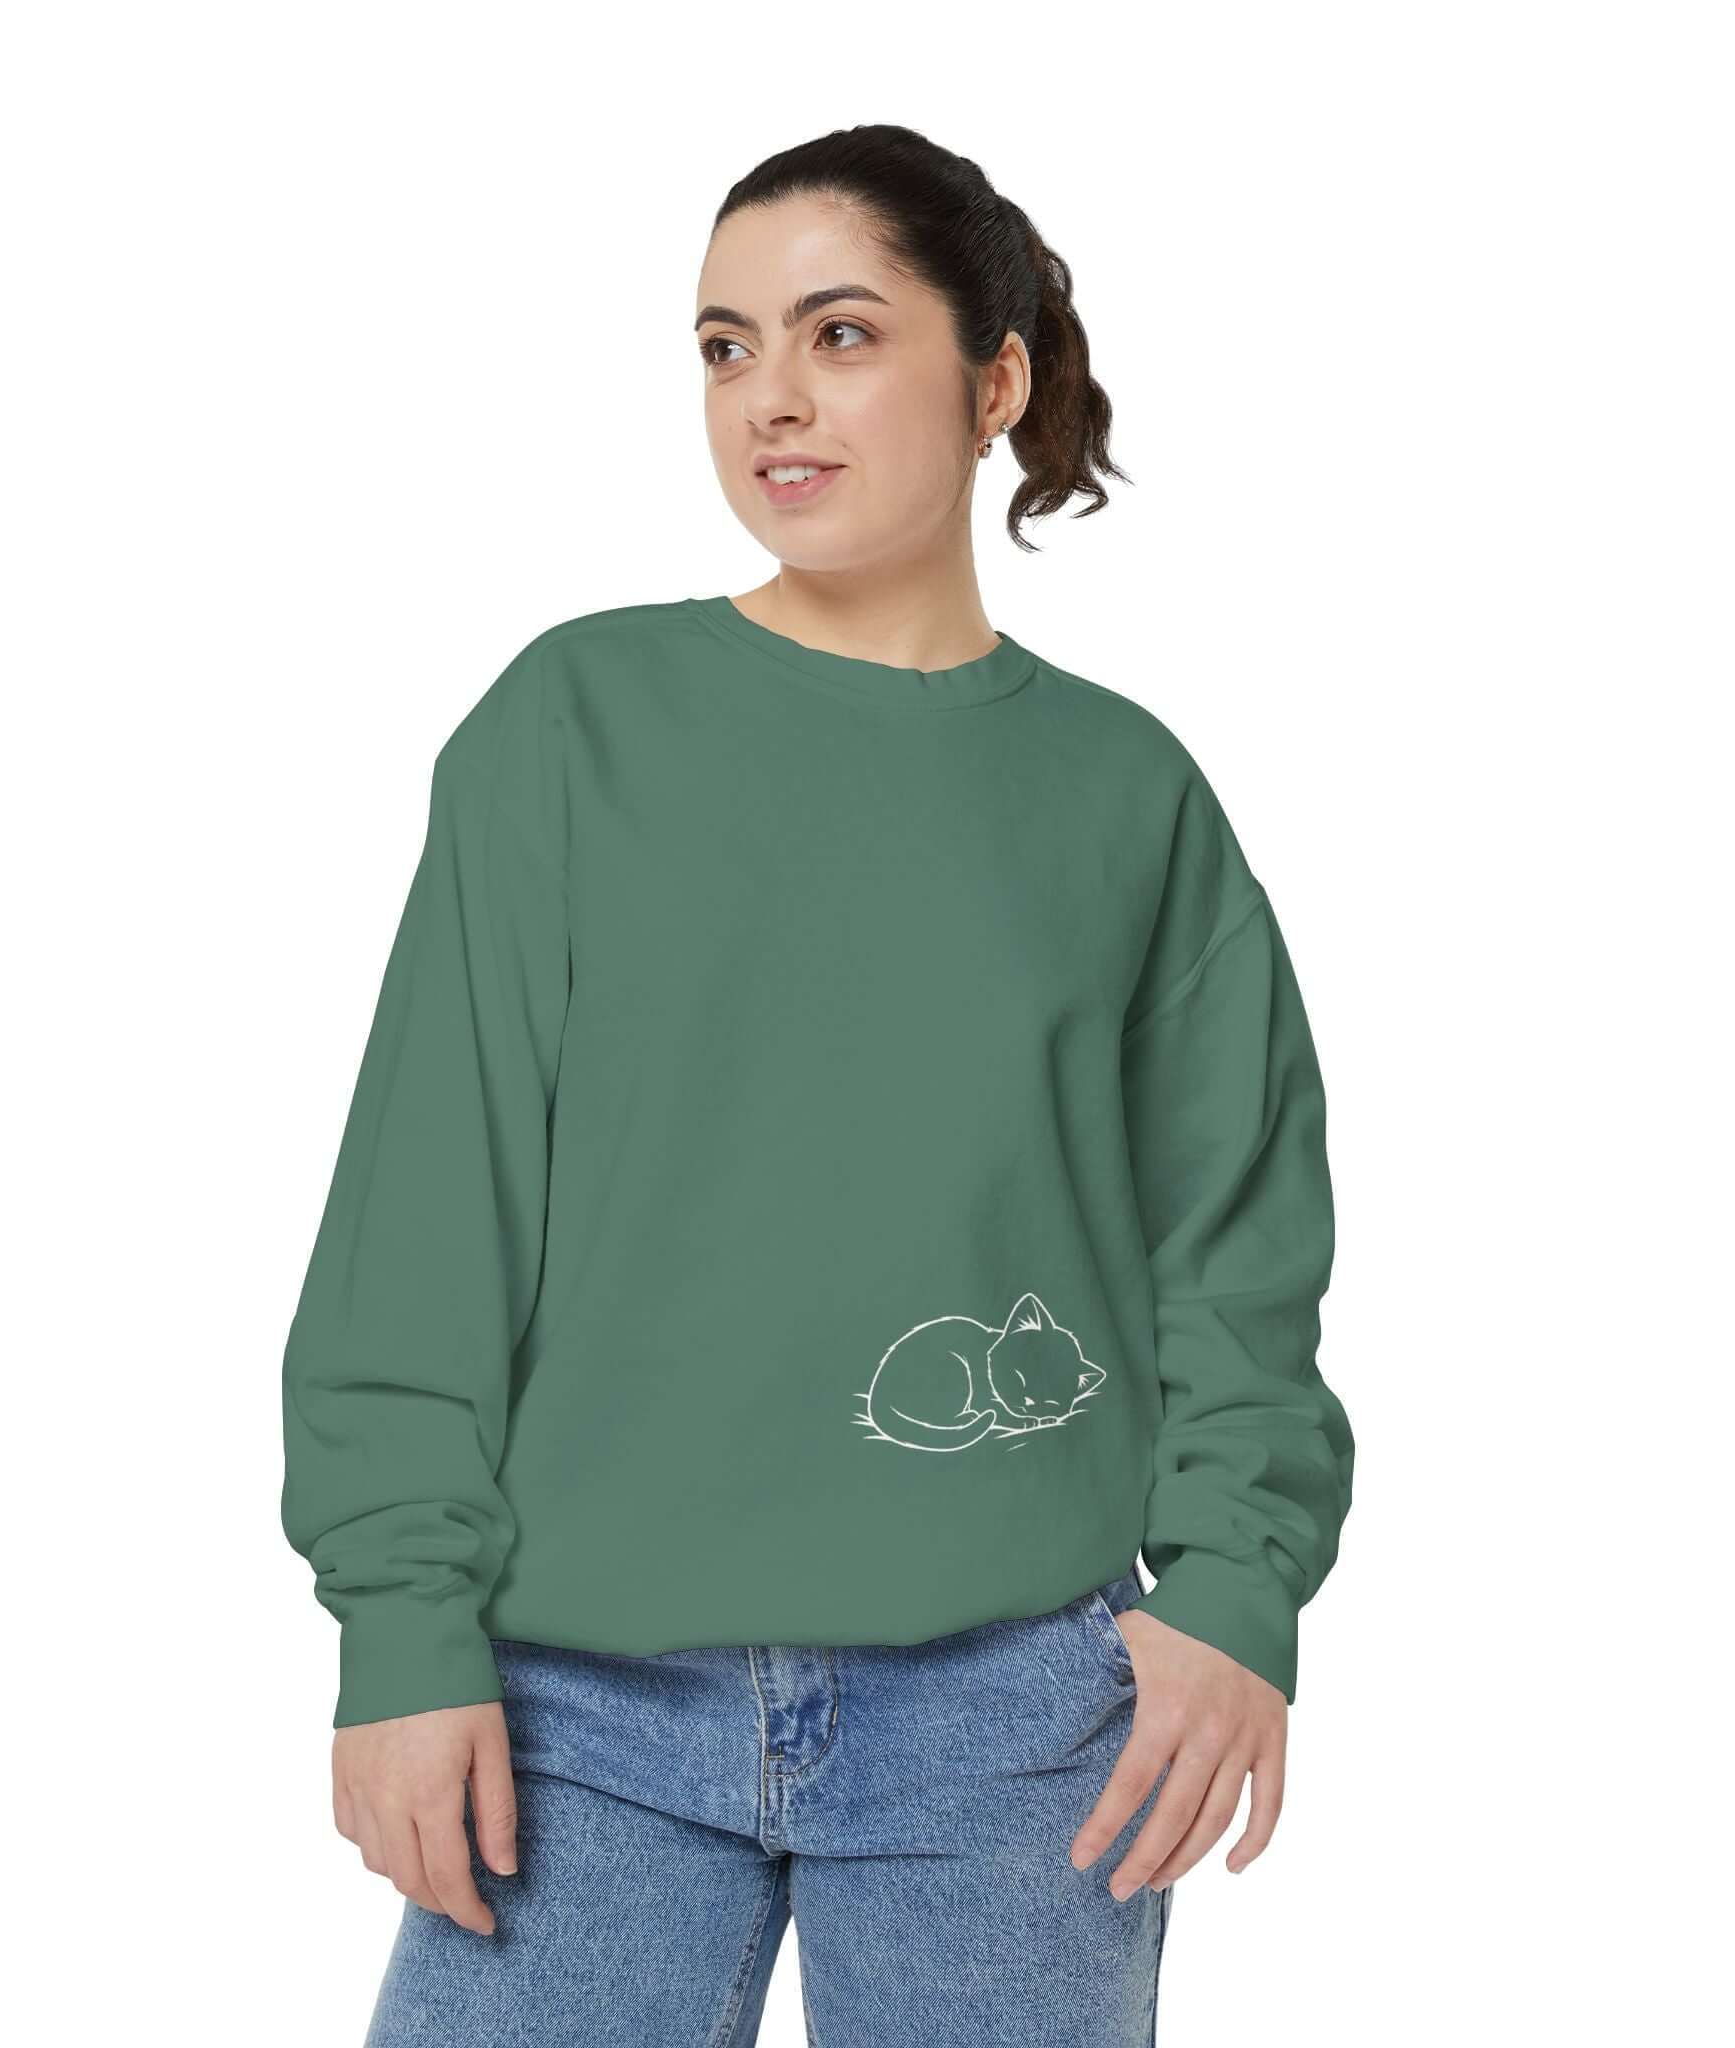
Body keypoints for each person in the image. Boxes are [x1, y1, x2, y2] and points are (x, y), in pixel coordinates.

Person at [280, 121, 1354, 2047]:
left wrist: (1232, 1593)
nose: (769, 396)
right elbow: (428, 1214)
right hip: (573, 1704)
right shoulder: (571, 728)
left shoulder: (1125, 797)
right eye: (725, 346)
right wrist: (401, 1628)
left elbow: (1238, 1239)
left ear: (995, 379)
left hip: (1021, 1720)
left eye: (840, 334)